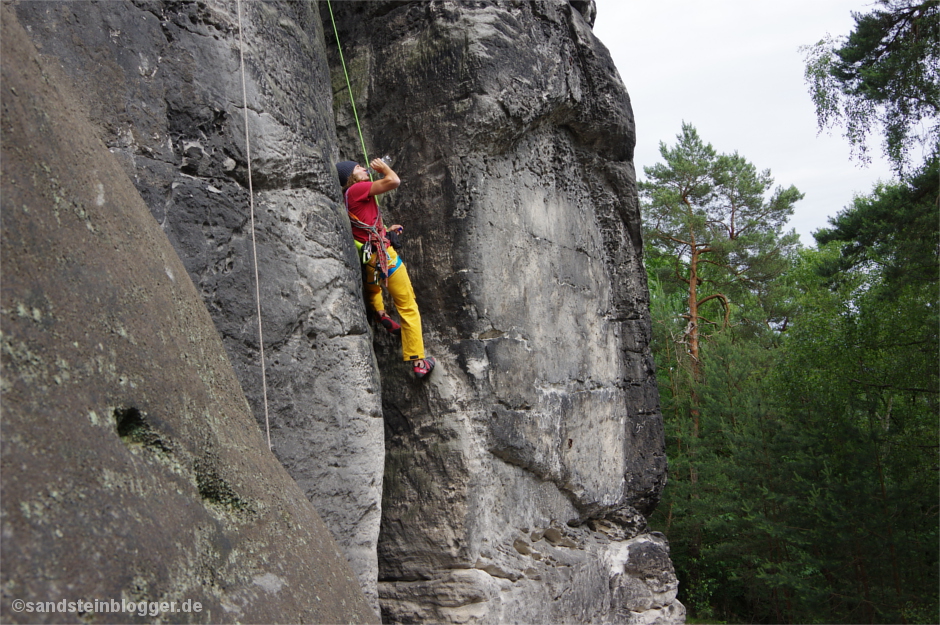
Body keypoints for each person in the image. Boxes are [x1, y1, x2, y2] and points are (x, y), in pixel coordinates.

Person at [336, 158, 436, 378]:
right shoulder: (358, 189)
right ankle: (418, 360)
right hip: (385, 257)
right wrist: (383, 169)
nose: (363, 168)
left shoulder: (347, 198)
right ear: (350, 176)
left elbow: (365, 226)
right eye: (358, 168)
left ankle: (381, 313)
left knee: (373, 289)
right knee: (408, 304)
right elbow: (393, 181)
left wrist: (387, 230)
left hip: (369, 256)